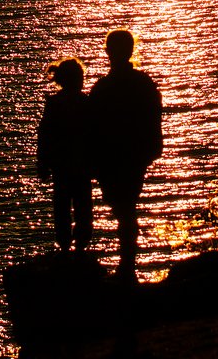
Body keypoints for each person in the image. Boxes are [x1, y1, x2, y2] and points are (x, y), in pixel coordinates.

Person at [89, 29, 163, 281]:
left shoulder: (103, 87)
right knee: (126, 207)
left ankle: (127, 265)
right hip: (133, 153)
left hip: (114, 155)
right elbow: (154, 115)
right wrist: (153, 147)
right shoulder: (142, 83)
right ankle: (128, 263)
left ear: (108, 51)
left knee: (124, 208)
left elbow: (93, 126)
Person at [37, 57, 92, 254]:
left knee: (62, 207)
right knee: (83, 207)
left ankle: (65, 247)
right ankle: (80, 247)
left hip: (61, 165)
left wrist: (43, 163)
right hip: (82, 165)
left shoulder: (54, 104)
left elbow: (44, 135)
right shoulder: (86, 103)